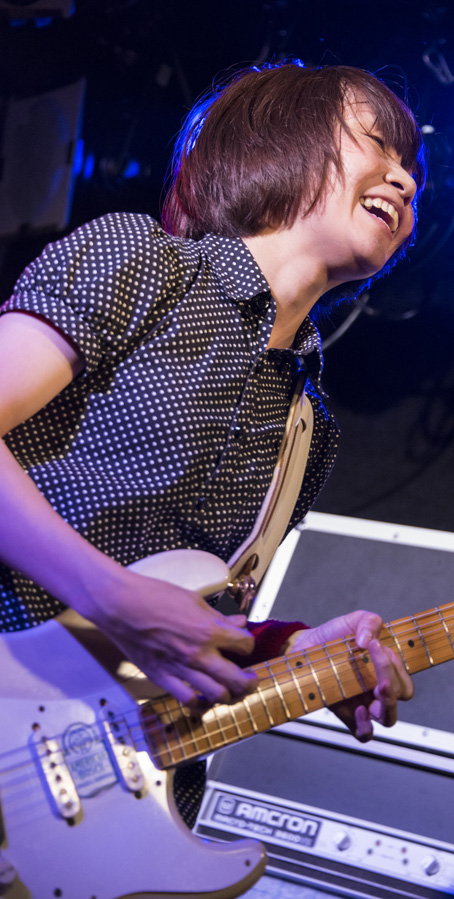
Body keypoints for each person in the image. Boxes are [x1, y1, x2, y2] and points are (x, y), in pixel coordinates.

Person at [0, 61, 425, 745]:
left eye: (412, 169)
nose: (405, 180)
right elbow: (134, 605)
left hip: (95, 769)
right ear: (276, 140)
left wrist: (291, 650)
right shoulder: (143, 261)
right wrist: (112, 597)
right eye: (379, 144)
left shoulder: (308, 426)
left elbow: (187, 608)